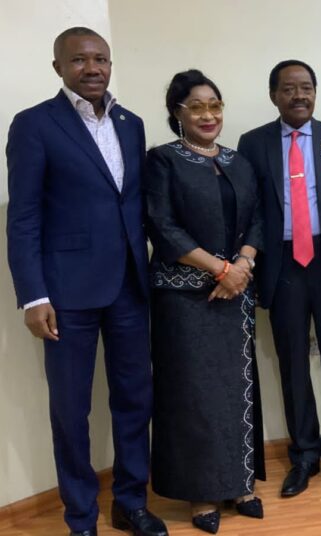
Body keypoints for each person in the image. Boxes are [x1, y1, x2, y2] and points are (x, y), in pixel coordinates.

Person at [5, 27, 167, 536]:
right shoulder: (34, 125)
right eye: (79, 60)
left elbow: (135, 204)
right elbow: (24, 218)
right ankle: (80, 519)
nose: (92, 68)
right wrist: (33, 295)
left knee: (135, 399)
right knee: (71, 412)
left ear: (111, 64)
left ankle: (130, 502)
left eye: (101, 58)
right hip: (65, 294)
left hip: (128, 287)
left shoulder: (131, 123)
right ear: (58, 67)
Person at [237, 60, 321, 497]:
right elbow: (249, 211)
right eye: (289, 89)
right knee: (292, 365)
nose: (300, 96)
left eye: (307, 87)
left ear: (316, 92)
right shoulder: (253, 144)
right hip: (283, 268)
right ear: (273, 94)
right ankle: (305, 455)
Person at [144, 70, 265, 533]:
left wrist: (244, 265)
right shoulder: (162, 161)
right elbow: (162, 225)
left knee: (236, 388)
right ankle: (200, 493)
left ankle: (240, 482)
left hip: (235, 292)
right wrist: (219, 269)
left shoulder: (238, 161)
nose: (208, 114)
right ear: (177, 112)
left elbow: (258, 219)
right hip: (184, 297)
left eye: (214, 104)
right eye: (196, 106)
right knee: (193, 396)